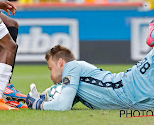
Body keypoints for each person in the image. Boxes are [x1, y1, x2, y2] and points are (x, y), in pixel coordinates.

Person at [26, 44, 154, 110]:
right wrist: (44, 96)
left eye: (50, 69)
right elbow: (60, 97)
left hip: (132, 84)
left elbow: (62, 106)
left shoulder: (71, 66)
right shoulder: (76, 89)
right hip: (141, 101)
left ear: (60, 63)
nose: (50, 75)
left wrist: (37, 104)